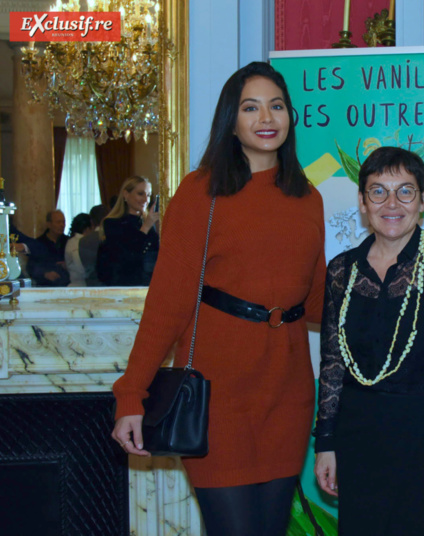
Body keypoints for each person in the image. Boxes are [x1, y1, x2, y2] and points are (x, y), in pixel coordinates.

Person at [111, 61, 326, 536]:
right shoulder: (199, 192)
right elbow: (168, 301)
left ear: (291, 116)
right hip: (217, 395)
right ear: (232, 120)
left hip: (288, 394)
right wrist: (131, 393)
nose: (266, 117)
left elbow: (319, 302)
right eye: (251, 107)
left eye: (276, 106)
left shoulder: (308, 197)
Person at [313, 147, 424, 536]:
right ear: (362, 202)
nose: (392, 204)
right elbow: (332, 365)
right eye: (378, 191)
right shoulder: (341, 271)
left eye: (405, 191)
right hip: (359, 448)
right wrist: (325, 443)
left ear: (422, 200)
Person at [97, 177, 160, 286]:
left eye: (148, 195)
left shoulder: (147, 222)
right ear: (126, 194)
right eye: (140, 194)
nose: (146, 200)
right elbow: (126, 257)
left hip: (150, 285)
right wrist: (145, 227)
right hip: (124, 286)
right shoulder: (112, 223)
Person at [27, 209, 70, 286]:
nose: (62, 225)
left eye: (63, 222)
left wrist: (68, 265)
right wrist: (45, 274)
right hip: (45, 285)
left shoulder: (68, 241)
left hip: (66, 285)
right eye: (58, 222)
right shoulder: (38, 243)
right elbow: (31, 267)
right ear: (49, 224)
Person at [79, 204, 110, 286]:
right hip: (110, 286)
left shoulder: (83, 241)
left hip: (91, 285)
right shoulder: (112, 237)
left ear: (92, 221)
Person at [65, 213, 92, 286]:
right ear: (87, 229)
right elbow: (80, 267)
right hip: (79, 286)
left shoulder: (72, 241)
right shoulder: (77, 243)